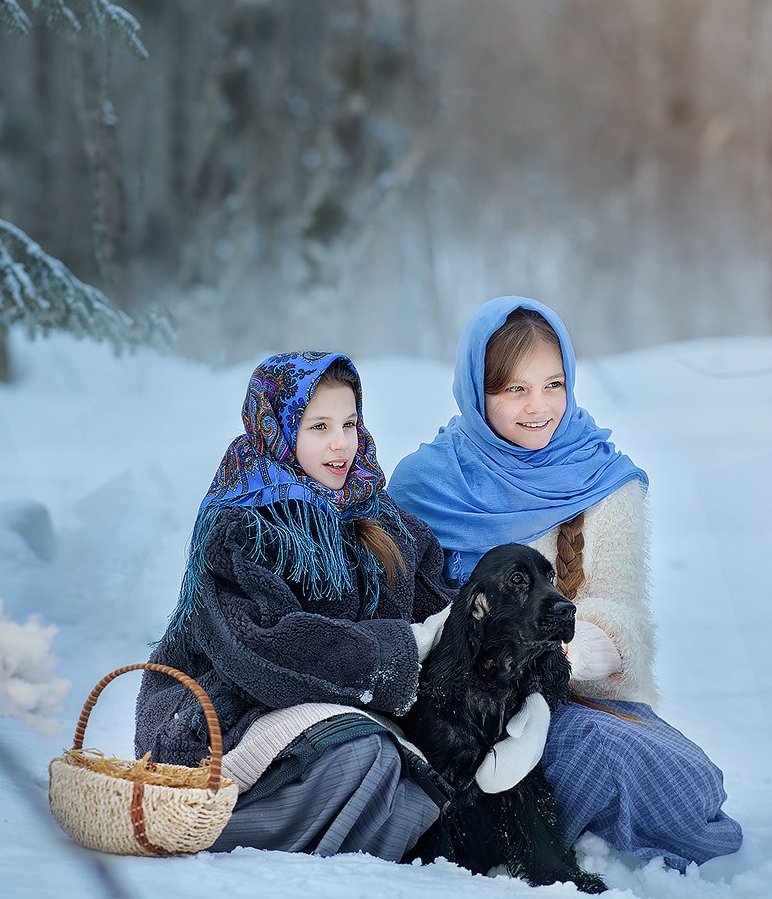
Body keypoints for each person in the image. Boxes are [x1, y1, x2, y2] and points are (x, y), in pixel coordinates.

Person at [133, 351, 547, 860]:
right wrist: (399, 650)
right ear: (277, 430)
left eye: (349, 424)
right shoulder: (243, 528)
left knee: (425, 776)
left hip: (334, 712)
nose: (340, 444)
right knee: (365, 758)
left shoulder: (380, 520)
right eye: (318, 426)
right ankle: (196, 828)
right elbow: (264, 649)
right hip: (226, 717)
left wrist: (527, 697)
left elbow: (452, 621)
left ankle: (391, 844)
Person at [390, 296, 744, 870]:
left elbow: (621, 615)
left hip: (564, 695)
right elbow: (396, 609)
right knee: (577, 759)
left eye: (553, 384)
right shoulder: (424, 484)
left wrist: (563, 653)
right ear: (476, 391)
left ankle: (557, 832)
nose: (539, 407)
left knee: (686, 780)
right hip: (451, 706)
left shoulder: (601, 479)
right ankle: (520, 843)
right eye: (513, 390)